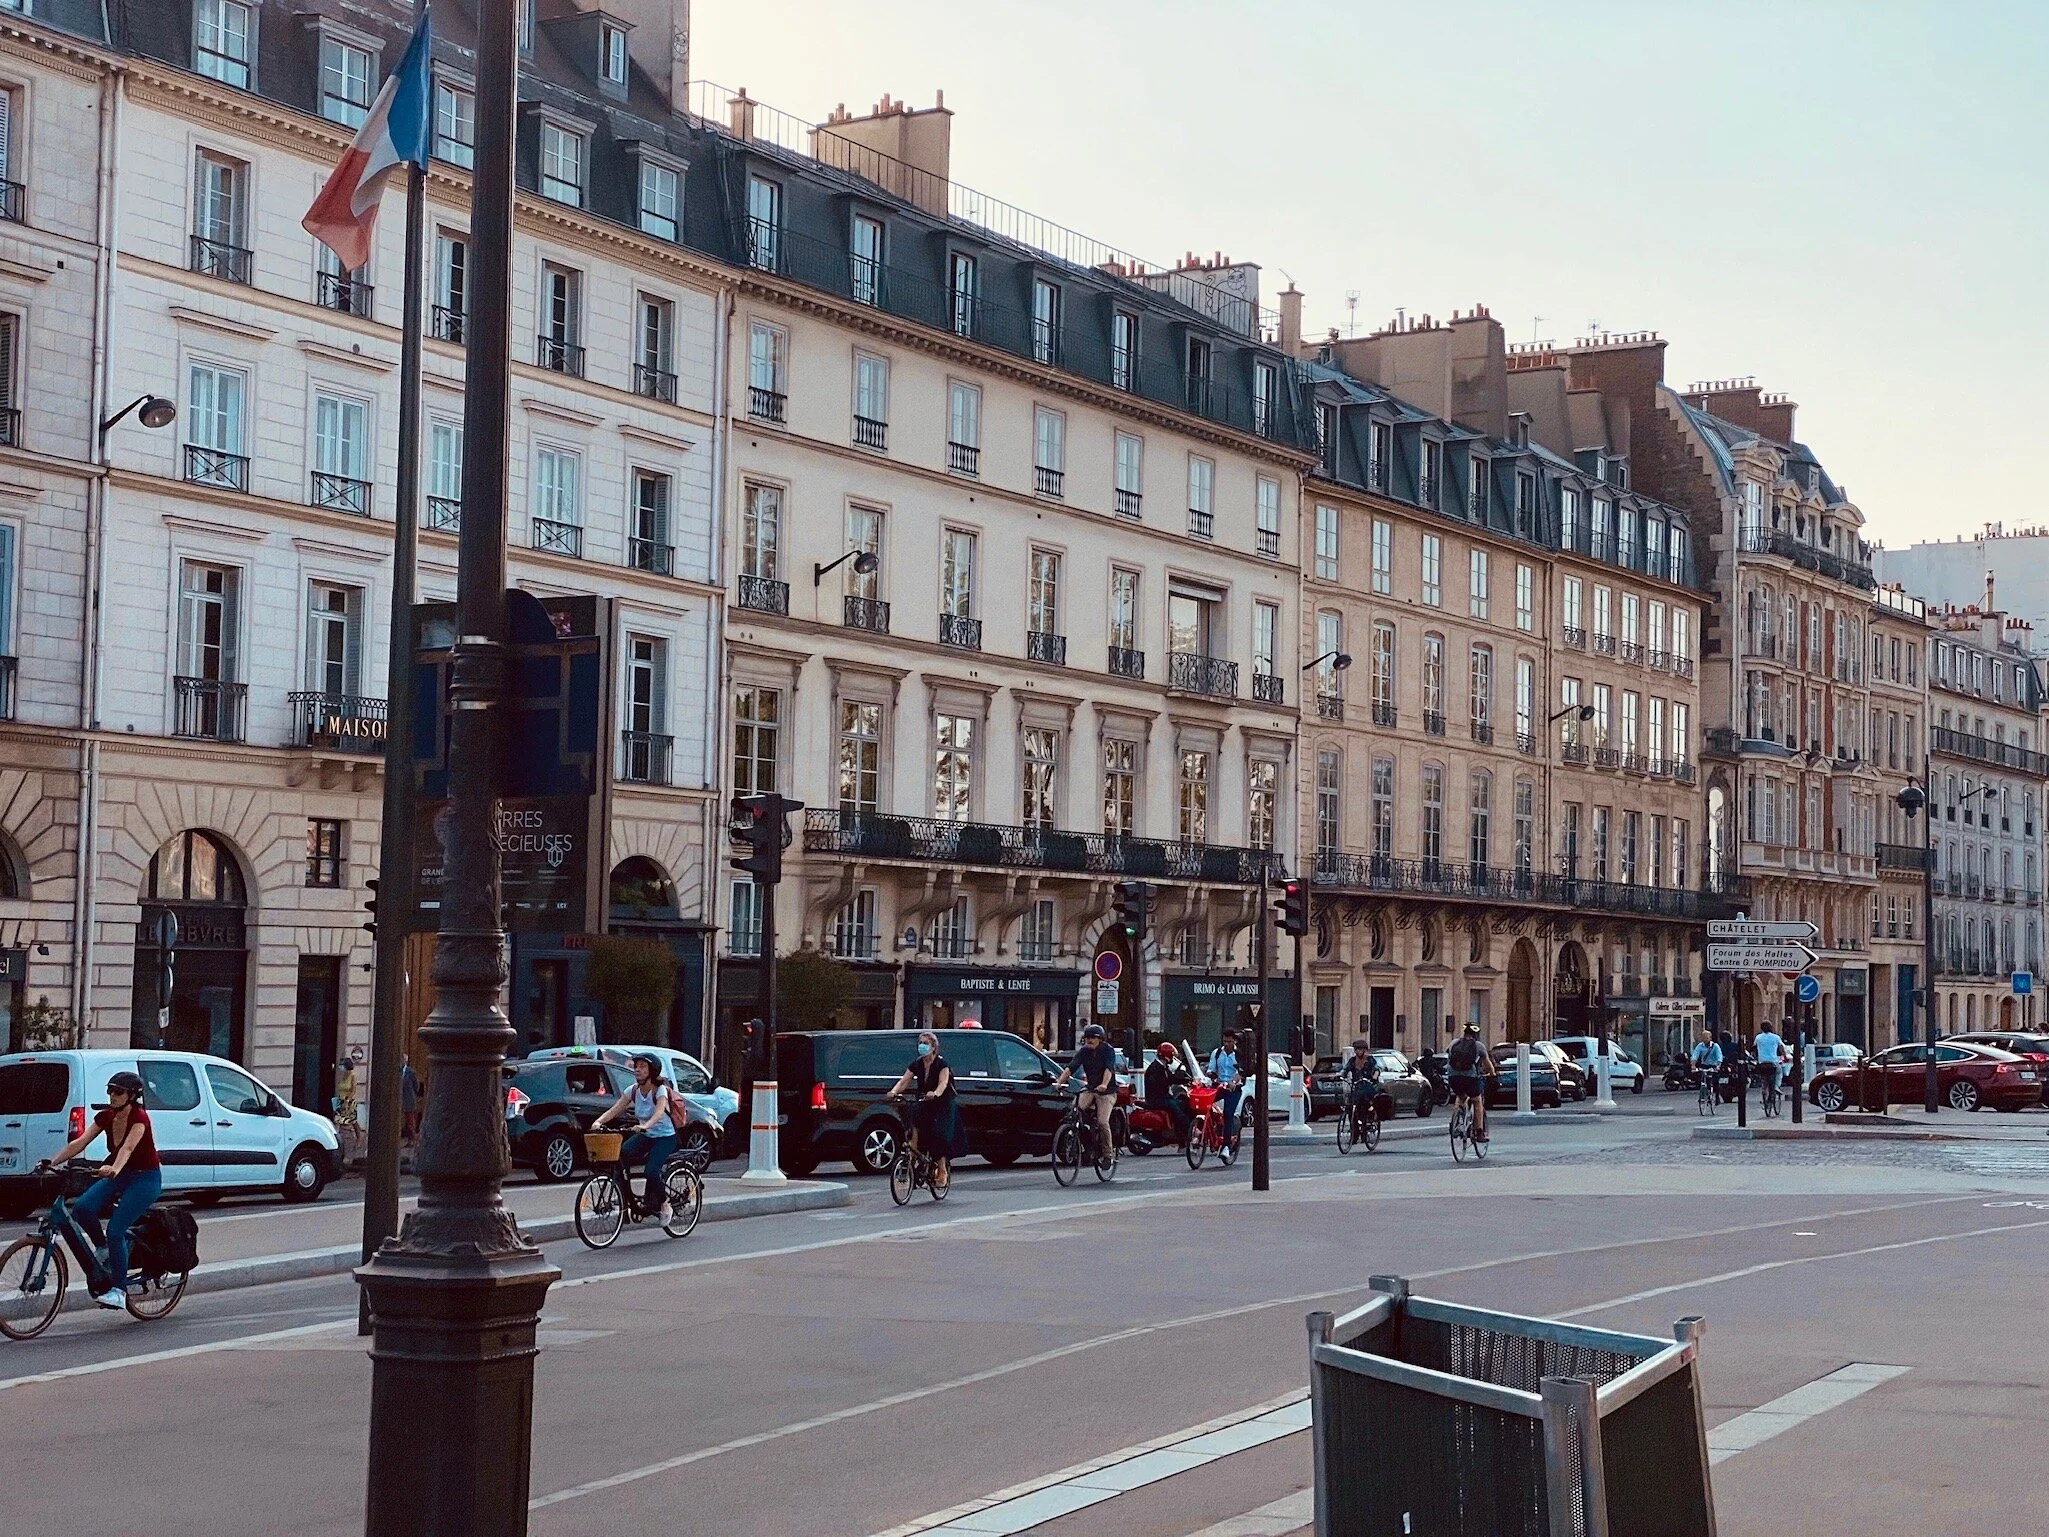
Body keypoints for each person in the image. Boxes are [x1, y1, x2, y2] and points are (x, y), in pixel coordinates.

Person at [41, 1070, 163, 1308]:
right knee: (82, 1208)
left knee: (116, 1231)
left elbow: (127, 1149)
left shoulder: (140, 1118)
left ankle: (119, 1292)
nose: (112, 1095)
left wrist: (114, 1168)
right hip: (121, 1174)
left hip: (145, 1179)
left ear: (132, 1096)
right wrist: (51, 1162)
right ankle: (103, 1248)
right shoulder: (106, 1117)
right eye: (110, 1090)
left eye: (118, 1092)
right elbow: (79, 1142)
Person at [593, 1054, 680, 1219]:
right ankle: (625, 1200)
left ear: (652, 1071)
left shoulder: (660, 1090)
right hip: (646, 1135)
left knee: (651, 1171)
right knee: (622, 1154)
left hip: (665, 1137)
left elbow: (659, 1112)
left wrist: (645, 1125)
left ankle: (664, 1203)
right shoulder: (633, 1090)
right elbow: (615, 1109)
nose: (637, 1070)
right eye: (636, 1066)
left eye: (642, 1067)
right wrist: (598, 1122)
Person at [886, 1030, 969, 1184]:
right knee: (913, 1121)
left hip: (943, 1103)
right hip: (925, 1100)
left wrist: (935, 1093)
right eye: (920, 1043)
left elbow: (943, 1083)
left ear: (933, 1047)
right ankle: (913, 1156)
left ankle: (942, 1170)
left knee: (939, 1134)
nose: (922, 1046)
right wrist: (894, 1091)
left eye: (925, 1043)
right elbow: (904, 1081)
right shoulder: (917, 1063)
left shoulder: (942, 1065)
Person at [1054, 1023, 1120, 1158]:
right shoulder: (1084, 1051)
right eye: (1087, 1037)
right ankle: (1086, 1144)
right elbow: (1071, 1067)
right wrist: (1059, 1082)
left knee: (1102, 1122)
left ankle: (1108, 1154)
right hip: (1090, 1089)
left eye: (1093, 1037)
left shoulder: (1108, 1050)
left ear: (1100, 1039)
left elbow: (1109, 1069)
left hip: (1107, 1091)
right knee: (1076, 1112)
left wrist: (1104, 1084)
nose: (1089, 1040)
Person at [1445, 1024, 1493, 1141]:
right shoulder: (1478, 1046)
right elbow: (1487, 1064)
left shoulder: (1454, 1043)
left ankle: (1455, 1122)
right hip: (1470, 1078)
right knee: (1477, 1101)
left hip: (1453, 1077)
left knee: (1460, 1097)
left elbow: (1449, 1056)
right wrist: (1492, 1073)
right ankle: (1479, 1132)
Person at [1143, 1041, 1193, 1147]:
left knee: (1183, 1102)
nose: (1173, 1057)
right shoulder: (1155, 1068)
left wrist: (1186, 1079)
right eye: (1172, 1055)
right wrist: (1176, 1079)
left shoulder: (1162, 1066)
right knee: (1174, 1105)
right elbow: (1162, 1081)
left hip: (1162, 1097)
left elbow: (1172, 1078)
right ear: (1167, 1055)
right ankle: (1190, 1130)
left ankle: (1180, 1135)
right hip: (1156, 1099)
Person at [1206, 1029, 1247, 1147]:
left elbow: (1240, 1072)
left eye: (1229, 1041)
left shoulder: (1239, 1054)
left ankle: (1226, 1145)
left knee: (1228, 1113)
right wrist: (1210, 1075)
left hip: (1233, 1088)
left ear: (1234, 1041)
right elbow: (1211, 1069)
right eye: (1224, 1041)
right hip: (1219, 1086)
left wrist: (1233, 1082)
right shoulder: (1217, 1053)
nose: (1226, 1044)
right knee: (1203, 1105)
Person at [1339, 1039, 1382, 1135]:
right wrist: (1341, 1075)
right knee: (1350, 1106)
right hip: (1357, 1087)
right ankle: (1355, 1129)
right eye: (1356, 1049)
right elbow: (1346, 1069)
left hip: (1368, 1086)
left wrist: (1374, 1076)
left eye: (1359, 1049)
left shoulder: (1370, 1060)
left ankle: (1368, 1122)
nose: (1357, 1051)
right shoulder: (1353, 1060)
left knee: (1365, 1104)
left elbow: (1377, 1069)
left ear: (1364, 1050)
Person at [1752, 1019, 1788, 1103]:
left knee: (1764, 1079)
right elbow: (1781, 1048)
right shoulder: (1776, 1037)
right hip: (1773, 1062)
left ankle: (1764, 1094)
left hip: (1762, 1062)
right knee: (1779, 1072)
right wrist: (1784, 1056)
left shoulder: (1758, 1037)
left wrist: (1756, 1057)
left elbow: (1754, 1047)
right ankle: (1776, 1086)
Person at [400, 1059, 421, 1144]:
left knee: (410, 1120)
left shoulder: (410, 1072)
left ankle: (412, 1139)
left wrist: (413, 1095)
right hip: (400, 1100)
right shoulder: (398, 1071)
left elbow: (416, 1085)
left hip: (409, 1099)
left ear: (404, 1061)